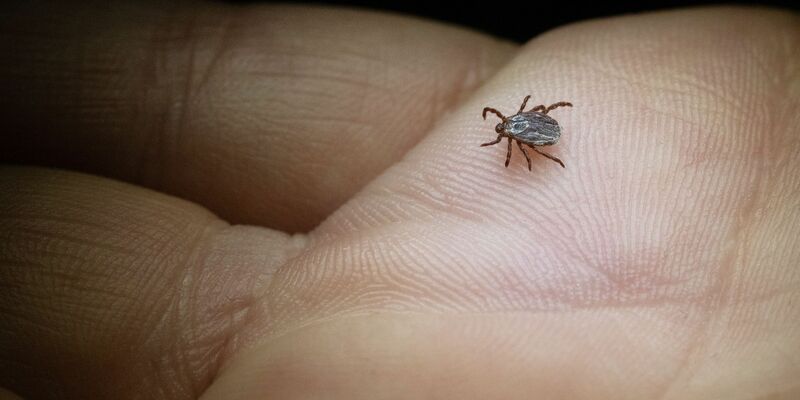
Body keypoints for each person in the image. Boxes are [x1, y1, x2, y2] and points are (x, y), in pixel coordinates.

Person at [1, 2, 798, 399]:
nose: (518, 132)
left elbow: (526, 132)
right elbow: (533, 128)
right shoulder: (530, 128)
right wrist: (529, 136)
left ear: (521, 126)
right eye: (517, 129)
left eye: (518, 129)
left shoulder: (522, 131)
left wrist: (520, 139)